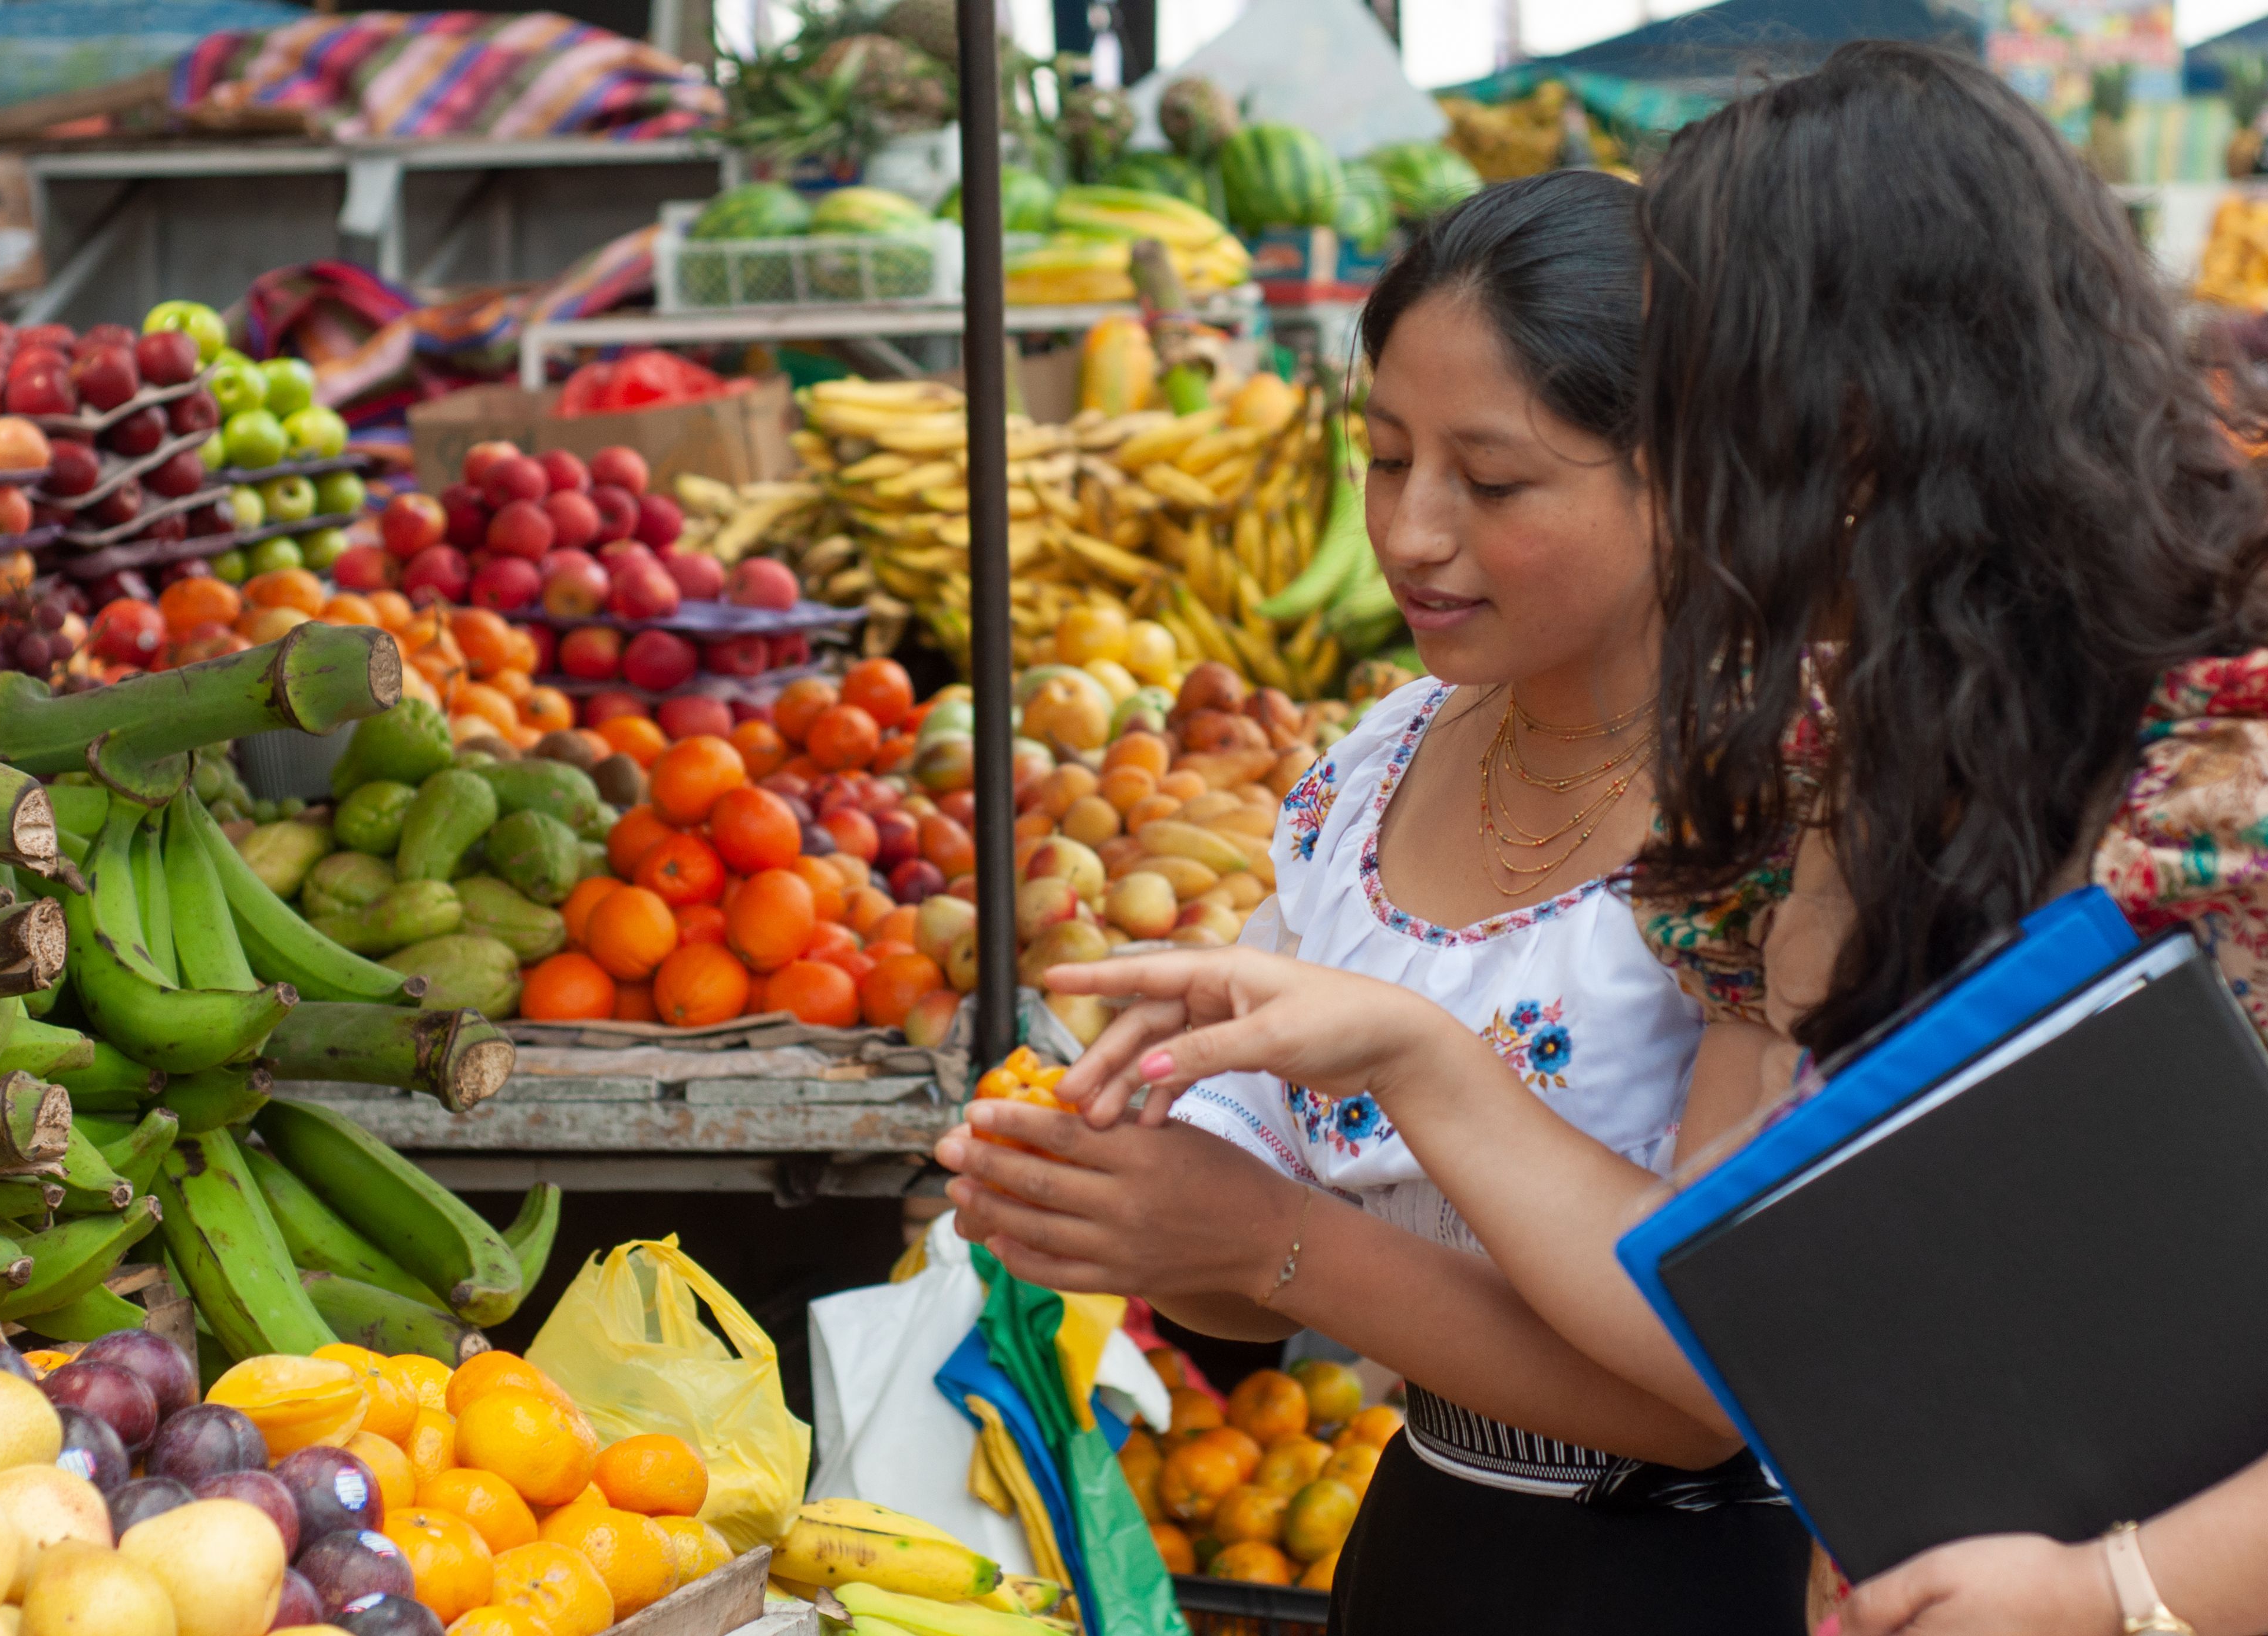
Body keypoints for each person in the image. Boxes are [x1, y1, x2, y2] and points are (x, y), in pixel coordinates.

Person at [973, 39, 2268, 1636]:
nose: (1694, 486)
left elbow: (1709, 1390)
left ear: (1870, 416)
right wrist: (1404, 1056)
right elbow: (1724, 1285)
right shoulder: (1867, 746)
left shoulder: (2222, 759)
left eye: (1716, 420)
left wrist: (2115, 1593)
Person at [937, 166, 1813, 1634]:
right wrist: (1127, 1185)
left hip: (1703, 1580)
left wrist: (1273, 1237)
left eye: (1493, 477)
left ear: (1685, 472)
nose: (1410, 530)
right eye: (1385, 455)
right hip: (1420, 1548)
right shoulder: (1376, 763)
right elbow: (1245, 1290)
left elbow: (1698, 1401)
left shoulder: (1788, 802)